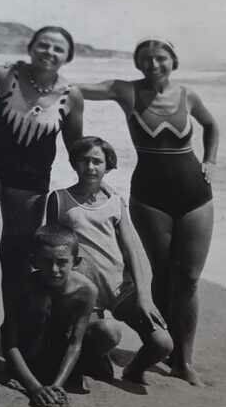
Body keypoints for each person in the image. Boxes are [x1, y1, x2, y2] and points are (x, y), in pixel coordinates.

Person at [76, 39, 219, 386]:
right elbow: (75, 90)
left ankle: (183, 361)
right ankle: (161, 345)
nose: (153, 64)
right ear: (138, 64)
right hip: (150, 196)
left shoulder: (189, 96)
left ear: (174, 60)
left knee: (188, 279)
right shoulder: (126, 91)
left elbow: (212, 126)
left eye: (161, 58)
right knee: (161, 275)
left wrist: (211, 161)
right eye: (146, 59)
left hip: (196, 196)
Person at [0, 26, 85, 365]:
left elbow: (75, 147)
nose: (49, 52)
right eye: (43, 45)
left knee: (19, 255)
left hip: (32, 174)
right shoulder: (5, 74)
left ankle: (14, 342)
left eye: (58, 49)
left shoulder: (73, 96)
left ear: (67, 56)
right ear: (30, 47)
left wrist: (91, 188)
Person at [46, 136, 174, 385]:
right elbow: (52, 247)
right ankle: (94, 357)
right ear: (74, 163)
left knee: (163, 343)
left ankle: (133, 370)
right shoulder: (59, 199)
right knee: (108, 333)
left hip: (119, 289)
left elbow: (133, 251)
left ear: (108, 166)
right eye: (84, 161)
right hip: (83, 292)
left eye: (97, 161)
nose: (90, 167)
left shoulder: (115, 201)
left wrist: (144, 297)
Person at [2, 224, 122, 407]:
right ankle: (40, 377)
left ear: (76, 261)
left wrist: (57, 386)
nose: (54, 269)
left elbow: (75, 343)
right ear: (34, 261)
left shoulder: (86, 290)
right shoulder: (22, 287)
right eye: (47, 261)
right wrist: (34, 388)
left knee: (108, 329)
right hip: (33, 355)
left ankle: (84, 371)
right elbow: (10, 343)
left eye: (62, 262)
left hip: (62, 352)